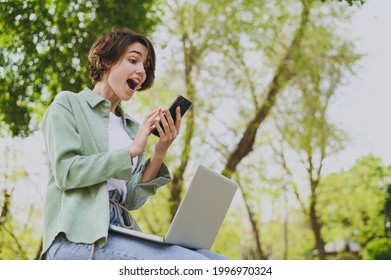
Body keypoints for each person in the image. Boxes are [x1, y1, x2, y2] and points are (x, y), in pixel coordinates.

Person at [40, 28, 229, 260]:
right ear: (107, 60)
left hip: (121, 232)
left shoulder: (131, 127)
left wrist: (159, 152)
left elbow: (131, 199)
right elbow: (66, 172)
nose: (141, 71)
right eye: (133, 60)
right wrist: (131, 151)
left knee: (219, 262)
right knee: (195, 264)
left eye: (146, 66)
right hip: (76, 238)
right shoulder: (68, 104)